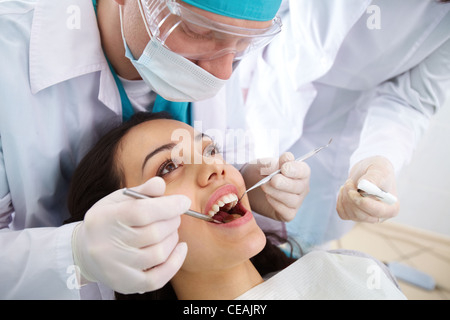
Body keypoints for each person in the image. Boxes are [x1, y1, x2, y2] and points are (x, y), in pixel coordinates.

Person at [0, 0, 312, 299]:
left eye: (244, 43)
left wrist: (245, 176)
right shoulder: (9, 55)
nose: (222, 72)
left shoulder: (337, 275)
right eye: (199, 31)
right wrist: (74, 255)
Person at [65, 112, 406, 300]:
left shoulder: (353, 274)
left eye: (211, 150)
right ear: (126, 232)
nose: (216, 167)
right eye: (168, 167)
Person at [208, 0, 450, 254]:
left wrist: (381, 160)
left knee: (288, 250)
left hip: (337, 129)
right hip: (267, 84)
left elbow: (410, 100)